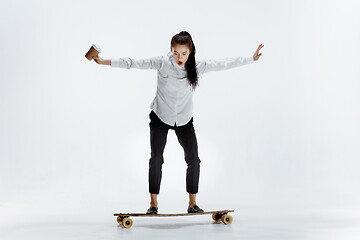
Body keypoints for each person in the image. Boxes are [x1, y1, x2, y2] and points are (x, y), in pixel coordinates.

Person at [92, 31, 264, 214]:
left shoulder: (197, 66)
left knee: (194, 160)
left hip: (184, 119)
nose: (179, 57)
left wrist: (251, 58)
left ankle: (192, 204)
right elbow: (133, 62)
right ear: (171, 50)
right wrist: (103, 61)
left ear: (190, 52)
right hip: (160, 116)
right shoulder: (162, 62)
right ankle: (153, 204)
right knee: (156, 159)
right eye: (176, 53)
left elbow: (223, 63)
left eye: (184, 53)